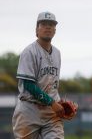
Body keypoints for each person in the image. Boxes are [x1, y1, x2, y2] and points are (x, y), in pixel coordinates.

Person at [12, 11, 65, 139]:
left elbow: (52, 84)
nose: (48, 27)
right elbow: (29, 85)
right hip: (29, 110)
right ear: (37, 30)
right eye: (44, 24)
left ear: (55, 30)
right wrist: (52, 102)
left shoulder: (57, 53)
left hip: (50, 112)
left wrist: (59, 103)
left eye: (51, 25)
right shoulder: (29, 52)